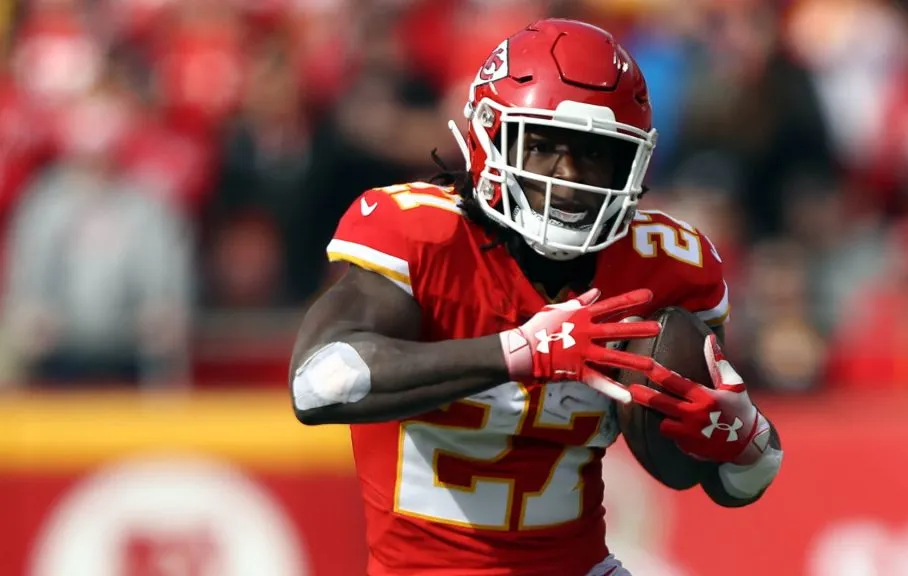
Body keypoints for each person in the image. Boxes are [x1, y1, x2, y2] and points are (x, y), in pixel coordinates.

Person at [290, 19, 783, 576]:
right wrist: (519, 353)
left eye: (596, 154)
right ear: (489, 137)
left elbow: (734, 487)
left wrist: (745, 439)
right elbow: (319, 384)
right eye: (544, 146)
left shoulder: (663, 266)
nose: (569, 178)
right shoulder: (423, 235)